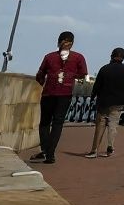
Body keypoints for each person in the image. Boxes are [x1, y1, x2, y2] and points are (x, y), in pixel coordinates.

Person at [31, 31, 88, 165]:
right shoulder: (78, 57)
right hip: (65, 94)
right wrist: (71, 76)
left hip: (48, 93)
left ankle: (45, 150)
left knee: (45, 123)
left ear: (58, 41)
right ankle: (50, 153)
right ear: (72, 43)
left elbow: (40, 74)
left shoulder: (49, 57)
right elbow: (83, 74)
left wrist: (44, 82)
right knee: (58, 123)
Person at [86, 47, 124, 158]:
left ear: (112, 55)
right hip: (118, 102)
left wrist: (93, 97)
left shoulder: (104, 69)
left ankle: (94, 150)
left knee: (100, 125)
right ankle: (110, 147)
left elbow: (97, 85)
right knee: (113, 125)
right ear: (123, 57)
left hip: (103, 101)